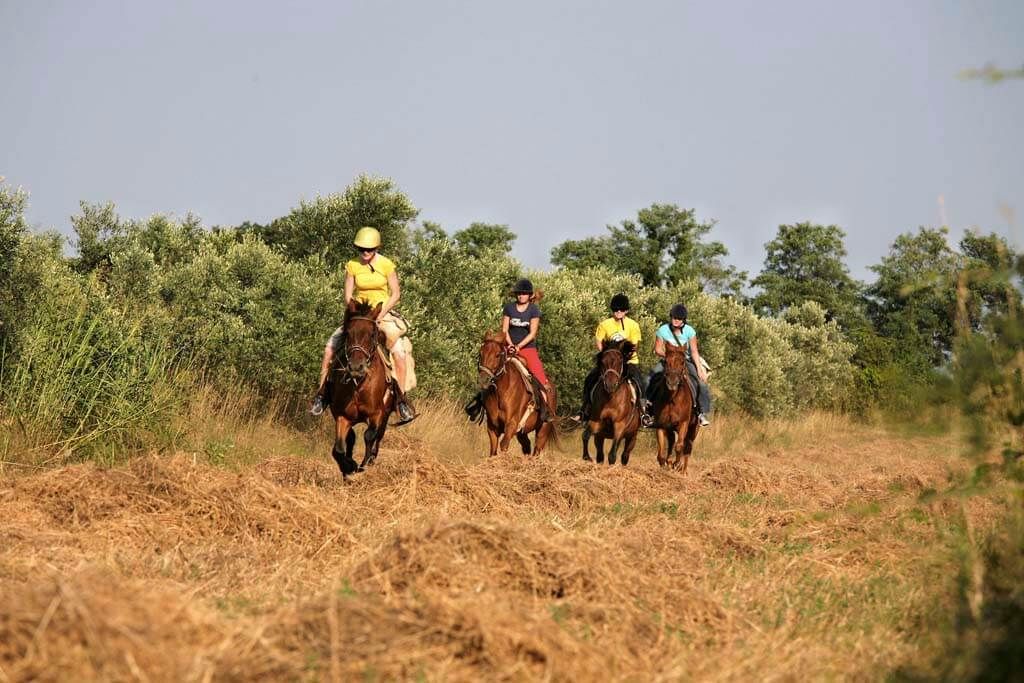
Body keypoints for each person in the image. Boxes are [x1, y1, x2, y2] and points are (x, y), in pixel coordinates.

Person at [310, 227, 416, 424]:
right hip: (359, 316)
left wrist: (380, 313)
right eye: (361, 249)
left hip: (381, 314)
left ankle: (401, 400)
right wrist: (355, 313)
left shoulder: (386, 265)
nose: (365, 253)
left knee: (400, 356)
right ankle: (321, 395)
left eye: (369, 249)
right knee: (329, 350)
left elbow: (396, 294)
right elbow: (348, 295)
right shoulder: (352, 265)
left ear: (376, 248)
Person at [465, 279, 553, 423]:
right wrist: (511, 345)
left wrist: (518, 347)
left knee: (540, 378)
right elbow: (505, 330)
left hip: (527, 349)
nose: (521, 296)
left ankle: (545, 410)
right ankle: (479, 403)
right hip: (508, 346)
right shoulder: (509, 308)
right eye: (519, 293)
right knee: (490, 370)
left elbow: (532, 333)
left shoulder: (533, 310)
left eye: (524, 294)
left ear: (529, 295)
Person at [574, 293, 652, 425]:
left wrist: (623, 358)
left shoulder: (633, 325)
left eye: (621, 310)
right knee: (590, 379)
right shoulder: (604, 324)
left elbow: (635, 346)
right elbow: (599, 341)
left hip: (628, 361)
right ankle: (584, 410)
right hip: (609, 362)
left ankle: (644, 412)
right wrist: (605, 355)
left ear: (626, 310)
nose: (618, 312)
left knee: (640, 382)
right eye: (616, 309)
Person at [649, 303, 712, 426]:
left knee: (700, 383)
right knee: (650, 378)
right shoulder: (663, 330)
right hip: (668, 361)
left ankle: (701, 413)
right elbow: (657, 349)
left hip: (685, 361)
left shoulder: (690, 331)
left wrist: (699, 369)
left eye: (678, 318)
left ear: (683, 320)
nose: (675, 320)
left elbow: (694, 351)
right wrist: (670, 356)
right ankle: (648, 409)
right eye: (673, 318)